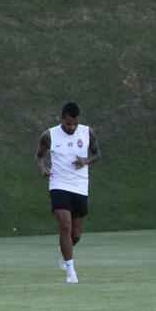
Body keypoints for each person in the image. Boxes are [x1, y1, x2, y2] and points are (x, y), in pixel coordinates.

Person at [37, 102, 100, 284]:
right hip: (59, 184)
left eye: (74, 124)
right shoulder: (49, 135)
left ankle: (64, 251)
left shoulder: (87, 132)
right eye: (68, 124)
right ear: (62, 119)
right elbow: (39, 155)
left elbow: (97, 154)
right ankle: (71, 271)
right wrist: (43, 168)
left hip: (80, 185)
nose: (71, 127)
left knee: (76, 234)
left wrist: (86, 161)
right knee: (65, 226)